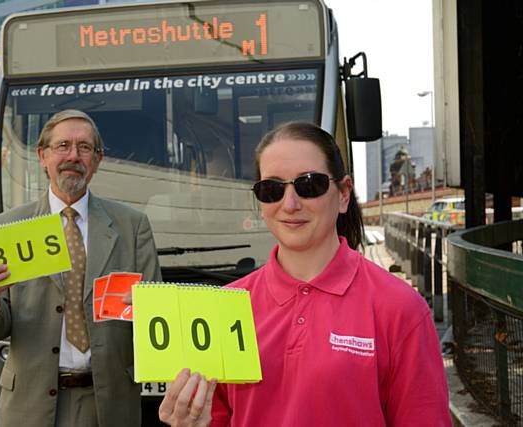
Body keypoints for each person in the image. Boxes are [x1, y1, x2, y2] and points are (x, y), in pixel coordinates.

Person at [158, 121, 451, 426]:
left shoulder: (400, 308)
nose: (290, 204)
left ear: (343, 194)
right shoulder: (225, 308)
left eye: (309, 185)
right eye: (271, 189)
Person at [0, 110, 161, 427]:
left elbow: (157, 319)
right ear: (42, 156)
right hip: (30, 407)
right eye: (62, 145)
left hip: (110, 406)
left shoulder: (133, 226)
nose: (73, 155)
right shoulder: (9, 228)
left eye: (84, 147)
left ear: (97, 160)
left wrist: (148, 308)